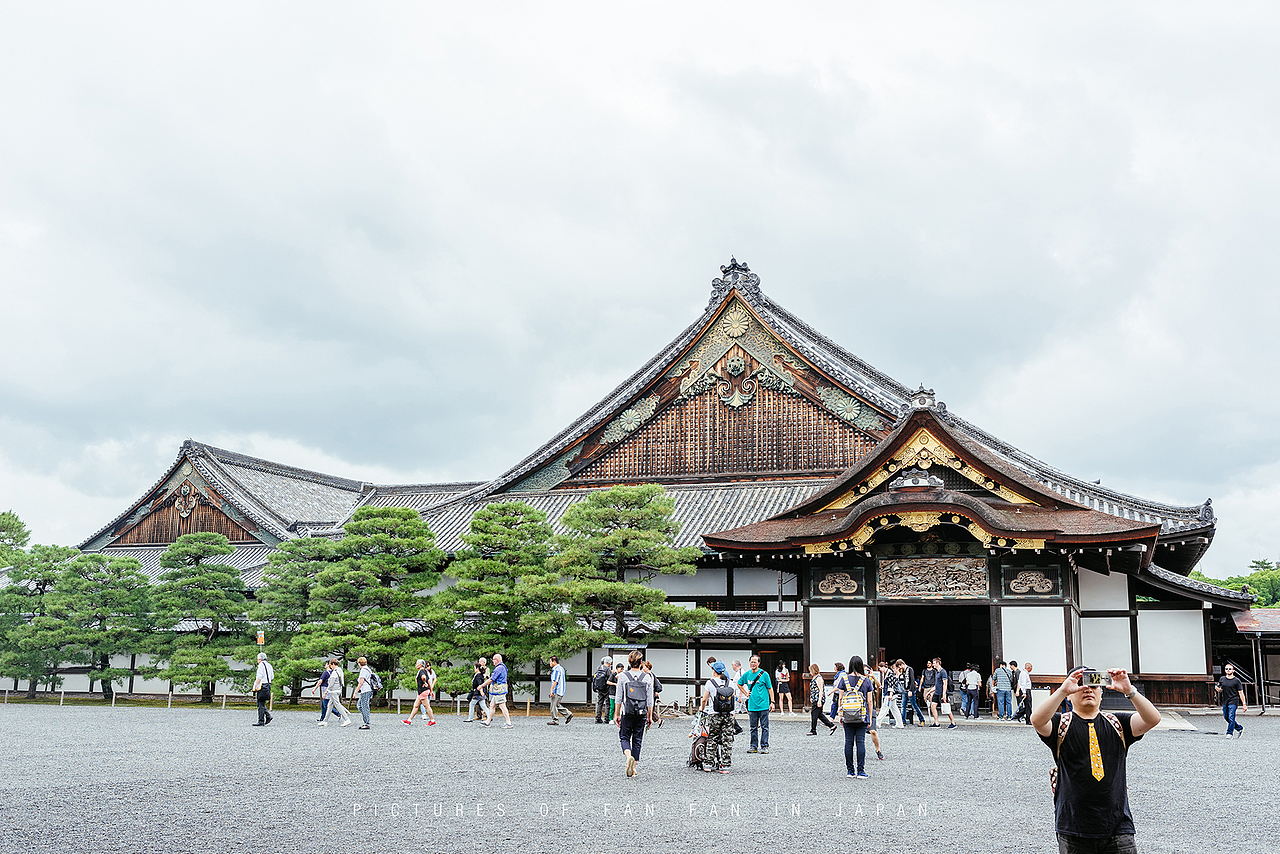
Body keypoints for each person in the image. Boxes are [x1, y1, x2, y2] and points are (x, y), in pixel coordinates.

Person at [1032, 666, 1160, 852]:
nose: (1087, 689)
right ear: (1069, 696)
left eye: (1094, 685)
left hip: (1118, 825)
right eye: (1080, 685)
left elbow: (1152, 719)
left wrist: (1129, 690)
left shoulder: (1118, 723)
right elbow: (1037, 720)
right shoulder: (1061, 725)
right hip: (1073, 826)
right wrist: (1062, 690)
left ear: (1101, 694)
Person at [614, 650, 655, 777]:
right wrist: (650, 716)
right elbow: (650, 700)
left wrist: (616, 714)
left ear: (629, 662)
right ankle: (633, 767)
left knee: (624, 737)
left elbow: (618, 698)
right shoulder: (647, 677)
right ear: (641, 662)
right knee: (637, 740)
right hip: (641, 713)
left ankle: (628, 757)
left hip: (627, 712)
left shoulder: (622, 676)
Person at [835, 655, 875, 779]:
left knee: (848, 742)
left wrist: (840, 715)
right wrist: (869, 717)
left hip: (847, 715)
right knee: (860, 742)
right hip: (861, 715)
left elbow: (840, 699)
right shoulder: (866, 680)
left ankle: (850, 771)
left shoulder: (844, 679)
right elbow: (870, 701)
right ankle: (861, 771)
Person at [700, 661, 736, 773]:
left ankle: (708, 764)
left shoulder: (710, 683)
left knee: (713, 738)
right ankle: (725, 765)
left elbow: (704, 699)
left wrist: (702, 709)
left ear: (714, 671)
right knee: (727, 740)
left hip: (714, 714)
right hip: (728, 714)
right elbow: (733, 698)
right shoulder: (730, 683)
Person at [738, 655, 775, 754]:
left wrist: (772, 702)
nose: (753, 664)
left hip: (763, 705)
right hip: (752, 705)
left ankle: (764, 746)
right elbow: (739, 683)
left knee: (764, 727)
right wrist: (746, 693)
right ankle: (753, 746)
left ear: (759, 663)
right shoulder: (747, 674)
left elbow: (770, 688)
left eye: (755, 662)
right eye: (751, 662)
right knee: (753, 727)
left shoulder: (764, 674)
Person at [480, 653, 513, 728]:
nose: (492, 661)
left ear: (497, 660)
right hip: (499, 690)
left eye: (493, 660)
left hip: (499, 690)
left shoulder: (499, 668)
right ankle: (488, 722)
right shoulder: (503, 667)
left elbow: (491, 679)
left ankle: (509, 723)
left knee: (502, 706)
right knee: (492, 705)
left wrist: (482, 685)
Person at [1216, 663, 1248, 738]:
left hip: (1233, 700)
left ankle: (1229, 733)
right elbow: (1220, 689)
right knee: (1226, 717)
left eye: (1230, 669)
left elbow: (1241, 692)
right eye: (1226, 669)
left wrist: (1244, 704)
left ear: (1233, 671)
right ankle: (1239, 728)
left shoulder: (1236, 681)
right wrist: (1218, 689)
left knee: (1231, 717)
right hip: (1225, 700)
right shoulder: (1222, 679)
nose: (1228, 670)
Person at [403, 659, 437, 726]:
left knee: (427, 706)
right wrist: (430, 691)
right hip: (423, 691)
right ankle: (409, 720)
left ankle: (432, 720)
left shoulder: (421, 671)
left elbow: (423, 677)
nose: (416, 665)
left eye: (417, 664)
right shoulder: (425, 671)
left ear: (420, 665)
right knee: (416, 706)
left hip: (423, 691)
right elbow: (429, 682)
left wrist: (424, 682)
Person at [318, 660, 352, 727]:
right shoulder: (340, 670)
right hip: (338, 690)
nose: (330, 667)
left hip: (334, 691)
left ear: (333, 664)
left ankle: (346, 719)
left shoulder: (334, 673)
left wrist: (325, 693)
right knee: (329, 706)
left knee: (337, 704)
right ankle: (325, 721)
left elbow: (331, 685)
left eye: (330, 665)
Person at [807, 663, 837, 735]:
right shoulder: (814, 678)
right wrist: (811, 697)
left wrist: (819, 700)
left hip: (818, 698)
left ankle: (813, 730)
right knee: (819, 714)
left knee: (814, 714)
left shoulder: (819, 678)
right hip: (815, 698)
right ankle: (831, 726)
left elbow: (821, 690)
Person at [876, 660, 905, 729]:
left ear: (883, 667)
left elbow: (891, 685)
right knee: (895, 710)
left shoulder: (889, 673)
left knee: (884, 709)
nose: (880, 670)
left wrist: (890, 694)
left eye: (880, 668)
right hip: (891, 694)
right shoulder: (888, 673)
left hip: (889, 694)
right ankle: (900, 724)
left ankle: (877, 723)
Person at [547, 654, 573, 725]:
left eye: (550, 662)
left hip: (557, 690)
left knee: (553, 706)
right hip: (561, 690)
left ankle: (555, 720)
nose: (550, 663)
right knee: (557, 705)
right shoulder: (561, 668)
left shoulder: (556, 669)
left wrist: (551, 690)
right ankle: (568, 714)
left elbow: (555, 681)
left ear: (554, 662)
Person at [932, 657, 956, 728]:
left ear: (937, 663)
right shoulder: (936, 672)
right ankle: (936, 723)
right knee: (933, 706)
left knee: (946, 708)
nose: (933, 665)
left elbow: (945, 683)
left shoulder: (943, 672)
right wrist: (930, 691)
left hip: (942, 693)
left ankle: (953, 723)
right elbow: (936, 684)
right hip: (936, 692)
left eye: (934, 663)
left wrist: (944, 694)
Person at [252, 652, 274, 727]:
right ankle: (268, 716)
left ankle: (261, 720)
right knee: (261, 703)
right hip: (268, 685)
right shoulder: (269, 665)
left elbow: (259, 676)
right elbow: (272, 676)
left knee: (260, 703)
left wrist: (256, 685)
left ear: (260, 659)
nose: (257, 661)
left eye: (258, 659)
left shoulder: (261, 665)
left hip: (262, 685)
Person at [354, 656, 375, 730]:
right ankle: (366, 720)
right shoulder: (368, 669)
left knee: (364, 706)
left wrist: (356, 692)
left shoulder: (363, 670)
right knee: (360, 705)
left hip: (365, 690)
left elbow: (361, 682)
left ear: (359, 663)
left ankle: (367, 723)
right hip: (368, 690)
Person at [592, 656, 613, 724]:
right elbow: (610, 678)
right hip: (606, 688)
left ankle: (598, 718)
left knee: (599, 703)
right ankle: (606, 718)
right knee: (607, 703)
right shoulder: (608, 669)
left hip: (599, 688)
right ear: (610, 663)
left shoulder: (599, 668)